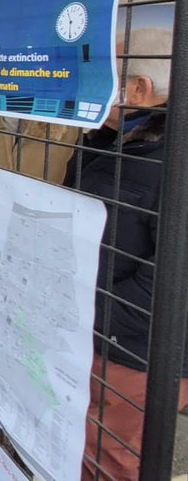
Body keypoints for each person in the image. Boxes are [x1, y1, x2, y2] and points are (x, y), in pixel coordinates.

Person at [66, 27, 183, 481]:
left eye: (105, 74)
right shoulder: (116, 138)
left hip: (130, 353)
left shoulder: (172, 157)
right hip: (92, 333)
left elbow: (167, 288)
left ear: (138, 88)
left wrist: (85, 314)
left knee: (109, 461)